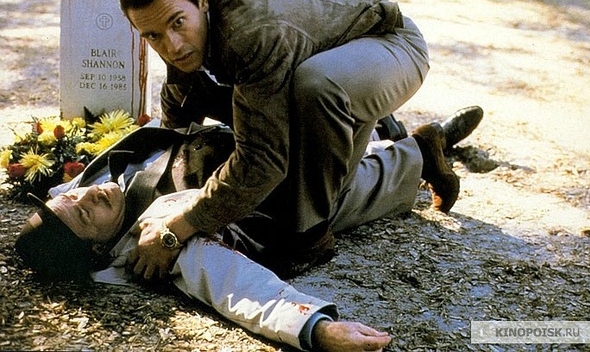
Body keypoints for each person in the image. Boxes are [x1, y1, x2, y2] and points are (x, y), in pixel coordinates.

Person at [118, 0, 481, 280]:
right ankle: (419, 152)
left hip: (386, 45)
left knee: (300, 184)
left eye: (178, 23)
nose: (172, 46)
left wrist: (176, 229)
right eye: (153, 36)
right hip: (325, 61)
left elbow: (263, 161)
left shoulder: (249, 31)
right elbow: (179, 109)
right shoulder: (182, 30)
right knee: (301, 184)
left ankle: (310, 236)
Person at [15, 112, 480, 352]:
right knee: (366, 178)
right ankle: (423, 149)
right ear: (98, 248)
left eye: (73, 197)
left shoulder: (87, 188)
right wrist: (315, 329)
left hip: (254, 146)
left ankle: (388, 131)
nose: (87, 197)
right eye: (83, 215)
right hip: (284, 195)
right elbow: (232, 286)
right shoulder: (154, 243)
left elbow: (62, 196)